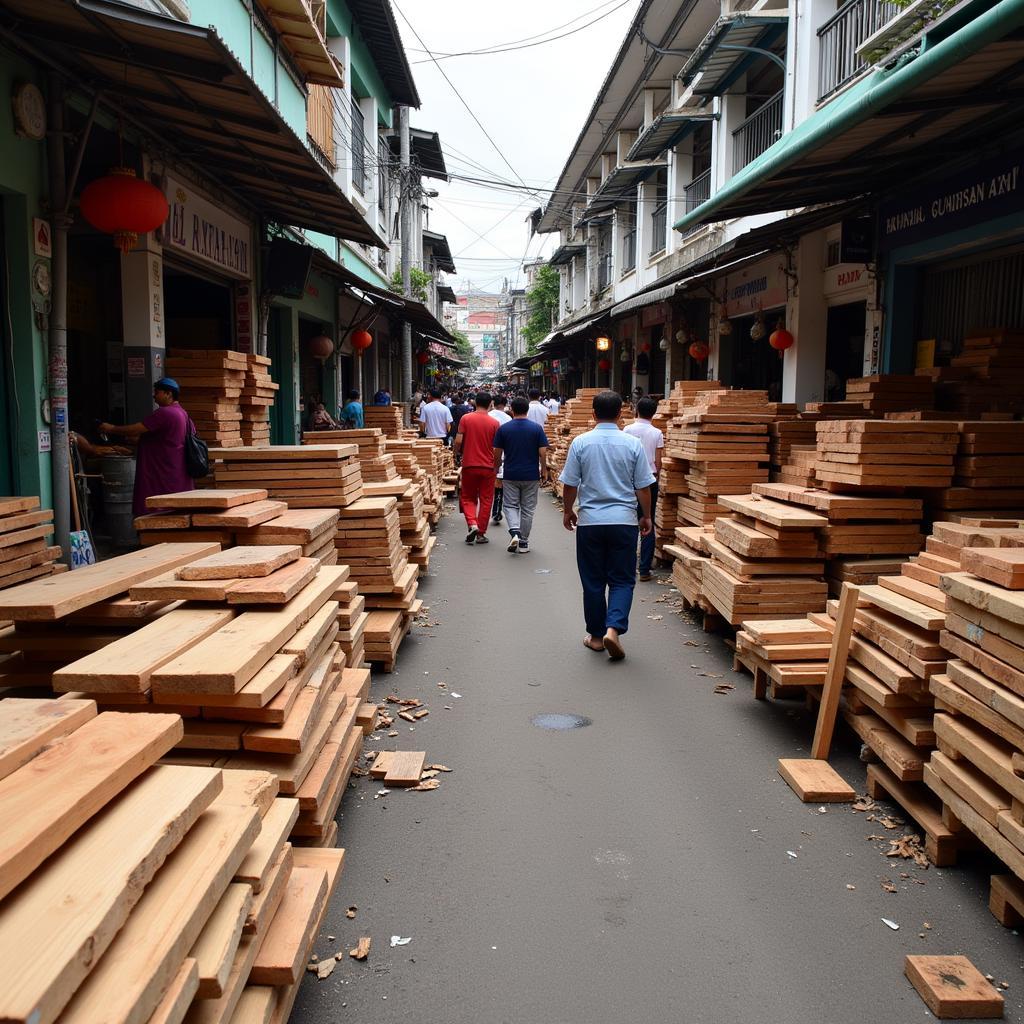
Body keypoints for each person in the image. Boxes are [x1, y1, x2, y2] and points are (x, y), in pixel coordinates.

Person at [559, 390, 654, 661]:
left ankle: (597, 637)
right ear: (620, 414)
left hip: (590, 522)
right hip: (623, 521)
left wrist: (568, 511)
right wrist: (646, 515)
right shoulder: (632, 444)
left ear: (592, 414)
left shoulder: (581, 443)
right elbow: (643, 486)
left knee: (593, 581)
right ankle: (614, 628)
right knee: (622, 579)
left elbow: (570, 484)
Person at [99, 376, 195, 516]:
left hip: (161, 476)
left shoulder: (165, 413)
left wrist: (111, 428)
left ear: (168, 394)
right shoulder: (184, 414)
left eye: (157, 392)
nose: (154, 396)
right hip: (176, 475)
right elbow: (167, 441)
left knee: (156, 512)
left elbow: (136, 428)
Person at [493, 395, 548, 554]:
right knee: (528, 509)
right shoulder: (536, 428)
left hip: (511, 473)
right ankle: (523, 542)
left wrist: (497, 468)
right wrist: (543, 470)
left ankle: (515, 531)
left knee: (510, 505)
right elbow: (542, 452)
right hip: (531, 474)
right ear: (527, 410)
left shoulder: (504, 429)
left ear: (512, 410)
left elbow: (497, 452)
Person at [624, 396, 665, 582]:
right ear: (653, 413)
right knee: (648, 520)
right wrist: (655, 477)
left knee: (630, 520)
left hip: (629, 480)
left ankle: (628, 565)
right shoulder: (657, 433)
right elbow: (658, 462)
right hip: (649, 481)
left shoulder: (627, 430)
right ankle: (645, 569)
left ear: (637, 410)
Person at [455, 391, 500, 544]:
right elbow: (496, 448)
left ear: (475, 403)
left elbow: (459, 441)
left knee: (468, 497)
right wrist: (496, 464)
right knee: (486, 499)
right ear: (490, 404)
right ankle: (481, 533)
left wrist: (456, 454)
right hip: (488, 466)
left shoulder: (465, 419)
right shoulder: (494, 423)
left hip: (469, 464)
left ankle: (472, 523)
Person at [488, 395, 512, 524]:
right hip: (503, 454)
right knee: (499, 485)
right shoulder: (508, 418)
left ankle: (491, 511)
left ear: (493, 403)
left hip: (487, 454)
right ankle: (497, 510)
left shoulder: (488, 416)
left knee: (488, 486)